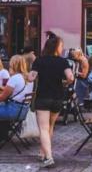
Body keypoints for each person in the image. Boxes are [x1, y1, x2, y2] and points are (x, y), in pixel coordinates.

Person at [28, 35, 73, 168]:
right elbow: (70, 77)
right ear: (56, 47)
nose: (62, 48)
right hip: (58, 97)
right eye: (61, 45)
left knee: (43, 128)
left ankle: (49, 156)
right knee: (50, 126)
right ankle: (43, 153)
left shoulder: (39, 61)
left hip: (43, 97)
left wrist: (26, 74)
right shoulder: (63, 61)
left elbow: (31, 78)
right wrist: (65, 82)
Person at [0, 55, 30, 121]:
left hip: (12, 111)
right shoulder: (27, 78)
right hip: (22, 111)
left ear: (13, 65)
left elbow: (2, 98)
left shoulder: (15, 78)